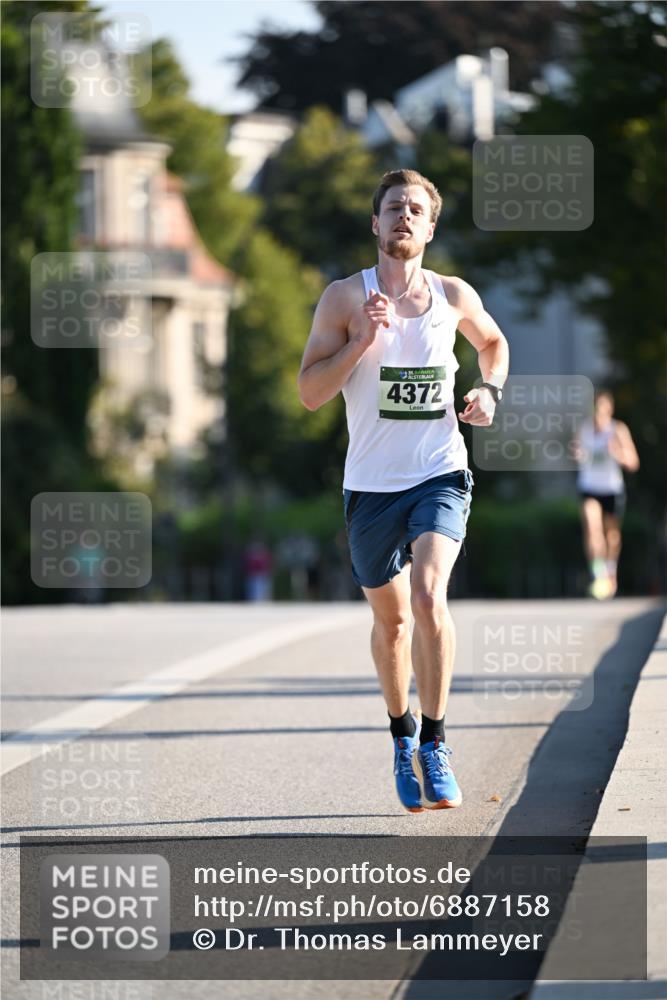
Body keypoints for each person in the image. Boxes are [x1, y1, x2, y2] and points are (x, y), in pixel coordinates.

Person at [297, 169, 509, 813]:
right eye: (393, 208)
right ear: (375, 223)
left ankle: (437, 740)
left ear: (431, 226)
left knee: (427, 593)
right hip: (369, 486)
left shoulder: (452, 294)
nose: (405, 218)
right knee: (390, 624)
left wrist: (488, 390)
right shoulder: (343, 298)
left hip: (440, 471)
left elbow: (494, 343)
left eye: (417, 210)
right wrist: (361, 341)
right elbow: (309, 394)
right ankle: (401, 732)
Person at [575, 388, 639, 599]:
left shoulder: (618, 430)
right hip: (589, 487)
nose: (599, 413)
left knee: (612, 537)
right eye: (596, 408)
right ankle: (599, 574)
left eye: (603, 409)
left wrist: (617, 453)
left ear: (609, 410)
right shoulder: (583, 430)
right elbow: (577, 453)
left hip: (612, 488)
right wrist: (576, 453)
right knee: (593, 530)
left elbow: (633, 463)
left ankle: (611, 570)